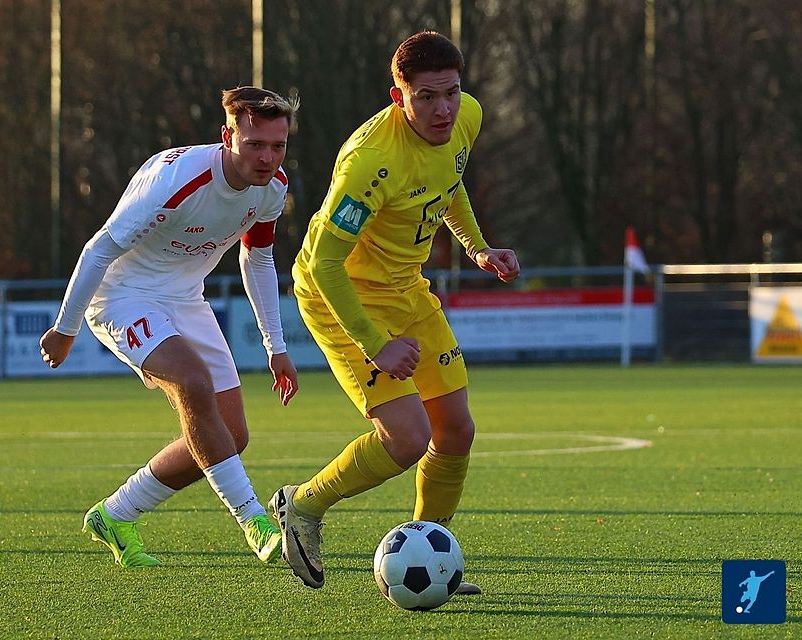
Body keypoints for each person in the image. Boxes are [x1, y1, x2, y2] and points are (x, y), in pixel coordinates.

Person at [268, 31, 519, 592]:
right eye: (426, 97)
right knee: (406, 438)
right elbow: (326, 264)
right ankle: (302, 506)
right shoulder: (371, 163)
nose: (443, 109)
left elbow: (447, 183)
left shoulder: (466, 117)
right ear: (396, 95)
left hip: (406, 287)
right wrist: (375, 343)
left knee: (455, 430)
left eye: (451, 93)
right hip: (342, 295)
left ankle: (431, 560)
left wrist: (476, 246)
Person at [39, 86, 300, 568]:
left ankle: (115, 515)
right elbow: (100, 249)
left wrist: (275, 346)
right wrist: (66, 327)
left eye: (277, 146)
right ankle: (253, 519)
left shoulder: (274, 188)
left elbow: (258, 258)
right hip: (122, 296)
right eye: (254, 145)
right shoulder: (176, 179)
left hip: (184, 298)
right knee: (192, 382)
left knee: (233, 433)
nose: (267, 158)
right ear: (228, 137)